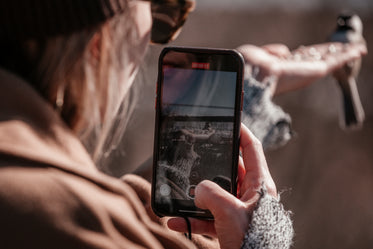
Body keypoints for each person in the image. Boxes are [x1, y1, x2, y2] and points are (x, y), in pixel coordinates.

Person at [0, 0, 367, 249]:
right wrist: (260, 238)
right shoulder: (79, 223)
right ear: (101, 40)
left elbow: (125, 212)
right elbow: (104, 219)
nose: (150, 41)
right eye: (150, 11)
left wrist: (240, 103)